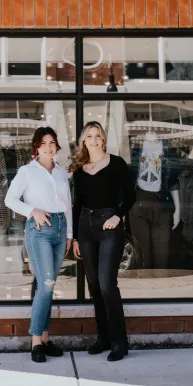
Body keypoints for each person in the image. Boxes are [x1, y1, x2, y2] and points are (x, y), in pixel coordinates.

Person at [5, 126, 73, 363]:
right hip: (39, 231)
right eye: (44, 143)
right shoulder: (27, 171)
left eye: (52, 142)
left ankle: (45, 338)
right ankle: (35, 341)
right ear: (36, 147)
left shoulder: (62, 173)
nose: (49, 146)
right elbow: (9, 199)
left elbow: (67, 206)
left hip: (60, 228)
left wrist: (69, 235)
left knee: (49, 286)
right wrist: (32, 210)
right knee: (45, 284)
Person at [71, 121, 136, 362]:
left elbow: (130, 195)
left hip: (110, 226)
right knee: (94, 286)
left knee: (107, 283)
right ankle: (104, 337)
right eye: (90, 136)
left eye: (98, 135)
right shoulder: (80, 169)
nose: (94, 140)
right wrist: (76, 237)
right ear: (84, 141)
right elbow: (77, 204)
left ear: (103, 139)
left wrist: (117, 216)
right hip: (86, 227)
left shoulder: (116, 163)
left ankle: (120, 341)